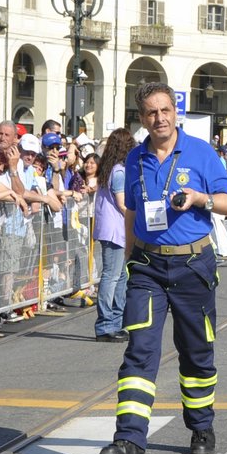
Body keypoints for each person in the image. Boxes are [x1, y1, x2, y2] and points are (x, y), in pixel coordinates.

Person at [98, 83, 227, 454]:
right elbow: (131, 214)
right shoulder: (135, 158)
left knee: (195, 352)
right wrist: (129, 258)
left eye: (164, 111)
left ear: (174, 113)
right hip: (147, 268)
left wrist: (200, 199)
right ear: (141, 117)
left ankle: (200, 426)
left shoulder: (200, 153)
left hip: (193, 266)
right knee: (139, 352)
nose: (158, 118)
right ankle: (129, 442)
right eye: (150, 113)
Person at [92, 128, 135, 341]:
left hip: (109, 227)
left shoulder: (108, 168)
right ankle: (106, 324)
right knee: (112, 276)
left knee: (119, 276)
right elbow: (122, 203)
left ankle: (116, 322)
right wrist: (136, 219)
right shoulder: (119, 171)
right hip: (115, 228)